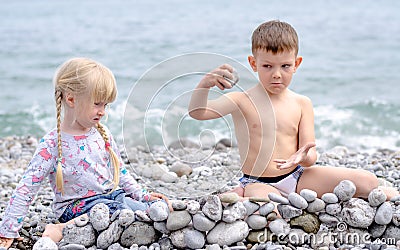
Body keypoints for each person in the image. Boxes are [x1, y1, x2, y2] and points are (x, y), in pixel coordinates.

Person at [189, 20, 398, 201]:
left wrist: (302, 157)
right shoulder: (241, 100)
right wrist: (204, 85)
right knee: (271, 210)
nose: (277, 75)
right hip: (258, 180)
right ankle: (243, 193)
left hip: (297, 176)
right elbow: (198, 113)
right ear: (253, 63)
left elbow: (311, 154)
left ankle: (244, 197)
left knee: (368, 180)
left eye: (285, 66)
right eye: (267, 66)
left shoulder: (302, 103)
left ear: (297, 64)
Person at [0, 57, 170, 249]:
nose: (103, 111)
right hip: (75, 208)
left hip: (111, 197)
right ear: (71, 99)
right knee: (117, 212)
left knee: (153, 211)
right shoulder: (52, 144)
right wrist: (8, 230)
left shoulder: (101, 134)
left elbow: (120, 172)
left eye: (106, 105)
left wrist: (142, 195)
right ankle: (62, 229)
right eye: (97, 104)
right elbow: (27, 187)